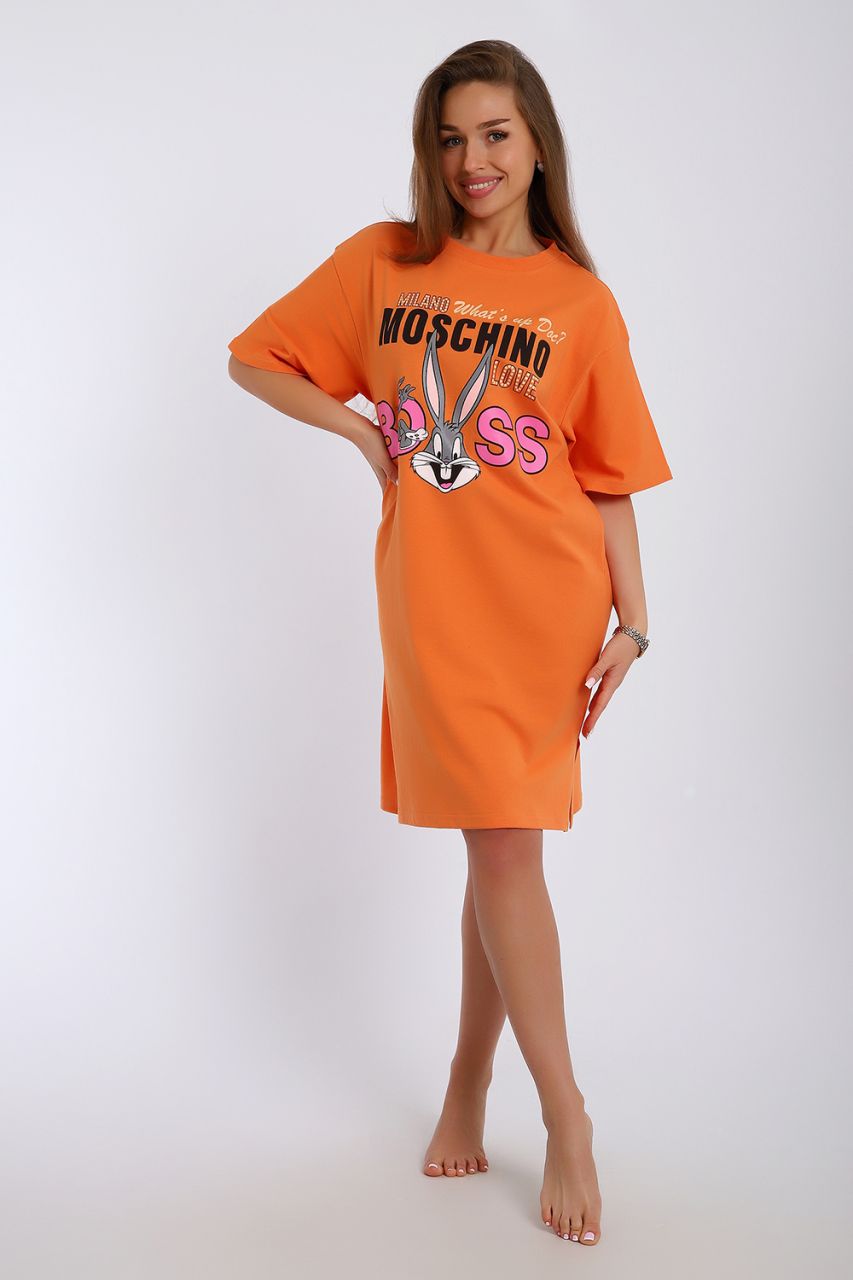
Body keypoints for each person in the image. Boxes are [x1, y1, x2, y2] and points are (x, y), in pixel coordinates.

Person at [227, 39, 673, 1249]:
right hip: (435, 607)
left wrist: (632, 622)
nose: (472, 160)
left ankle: (545, 1107)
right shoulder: (385, 262)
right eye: (450, 137)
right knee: (498, 844)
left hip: (546, 605)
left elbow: (609, 476)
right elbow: (254, 356)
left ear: (537, 145)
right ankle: (501, 1089)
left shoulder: (580, 303)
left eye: (494, 134)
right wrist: (359, 434)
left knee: (500, 847)